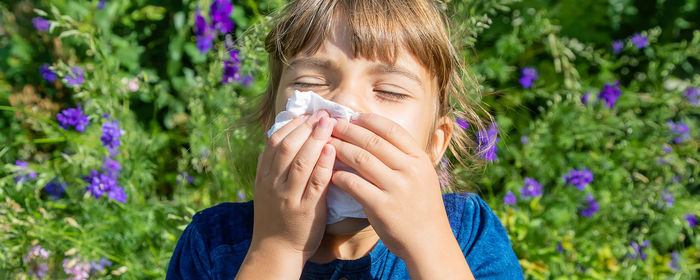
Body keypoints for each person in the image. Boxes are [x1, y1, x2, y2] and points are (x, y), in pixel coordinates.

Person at [167, 0, 524, 279]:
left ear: (435, 143)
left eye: (390, 90)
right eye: (309, 84)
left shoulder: (468, 235)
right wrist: (277, 247)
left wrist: (428, 244)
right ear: (271, 126)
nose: (344, 103)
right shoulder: (214, 244)